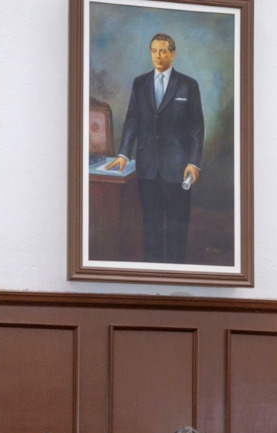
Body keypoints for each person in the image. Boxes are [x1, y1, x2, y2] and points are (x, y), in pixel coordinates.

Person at [104, 32, 205, 264]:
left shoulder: (189, 85)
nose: (157, 56)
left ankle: (176, 274)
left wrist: (194, 162)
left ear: (172, 54)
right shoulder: (139, 83)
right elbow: (132, 121)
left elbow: (197, 128)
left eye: (162, 51)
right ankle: (152, 276)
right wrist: (122, 154)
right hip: (147, 168)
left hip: (179, 169)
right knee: (150, 227)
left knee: (178, 228)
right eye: (153, 51)